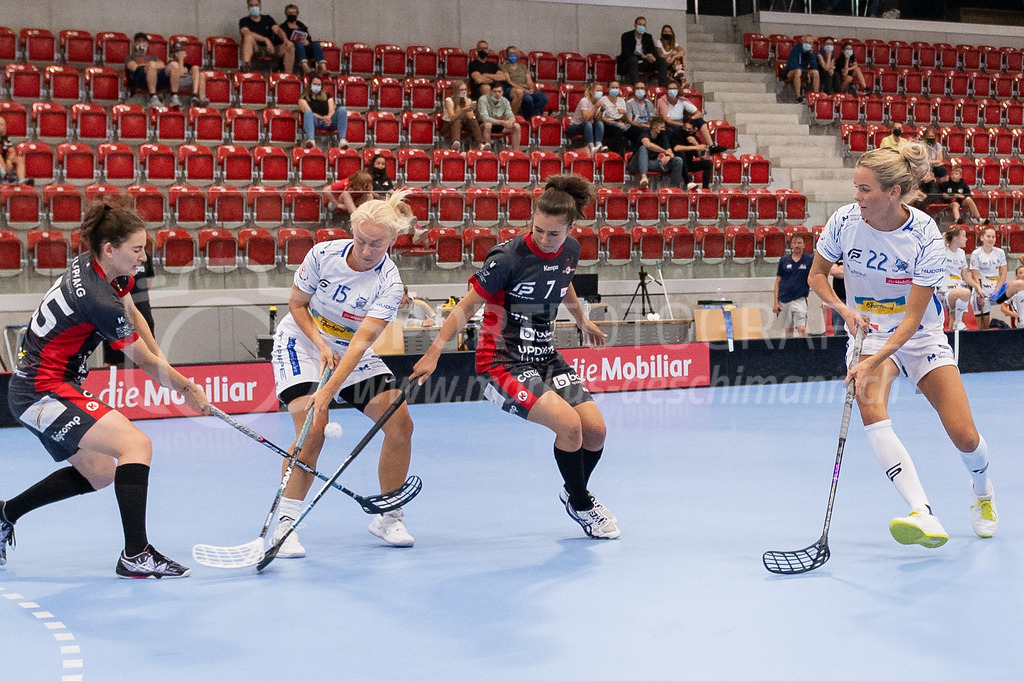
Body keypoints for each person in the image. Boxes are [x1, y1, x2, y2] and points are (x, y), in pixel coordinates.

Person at [1, 200, 211, 577]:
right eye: (136, 250)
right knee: (136, 444)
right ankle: (136, 554)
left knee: (99, 473)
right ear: (111, 248)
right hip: (40, 392)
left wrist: (164, 364)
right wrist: (186, 388)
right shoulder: (97, 297)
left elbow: (131, 311)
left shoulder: (95, 265)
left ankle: (5, 514)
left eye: (144, 248)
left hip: (44, 386)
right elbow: (142, 360)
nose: (143, 258)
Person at [410, 174, 619, 540]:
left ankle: (575, 493)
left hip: (545, 356)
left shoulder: (570, 250)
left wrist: (581, 319)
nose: (545, 239)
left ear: (571, 230)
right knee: (570, 427)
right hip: (501, 362)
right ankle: (582, 504)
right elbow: (466, 306)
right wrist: (434, 350)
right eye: (538, 230)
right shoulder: (507, 258)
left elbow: (563, 281)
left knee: (596, 431)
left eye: (554, 234)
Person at [810, 144, 998, 550]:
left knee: (965, 437)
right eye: (856, 187)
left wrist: (870, 362)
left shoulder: (924, 235)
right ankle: (921, 511)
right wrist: (843, 309)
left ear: (893, 192)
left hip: (920, 335)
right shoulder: (844, 221)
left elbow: (912, 320)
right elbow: (817, 276)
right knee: (871, 407)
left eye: (865, 189)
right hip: (870, 330)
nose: (857, 197)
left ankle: (983, 491)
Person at [270, 191, 417, 557]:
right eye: (361, 240)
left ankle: (388, 515)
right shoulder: (323, 255)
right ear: (352, 231)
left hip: (351, 350)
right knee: (312, 427)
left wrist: (328, 390)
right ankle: (286, 525)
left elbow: (359, 345)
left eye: (376, 244)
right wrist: (320, 343)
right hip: (302, 340)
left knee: (399, 422)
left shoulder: (389, 283)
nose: (366, 250)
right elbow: (297, 303)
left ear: (391, 241)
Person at [103, 248, 155, 367]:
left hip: (143, 314)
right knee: (113, 360)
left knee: (147, 357)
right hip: (116, 315)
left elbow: (148, 283)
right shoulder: (114, 256)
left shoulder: (146, 257)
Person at [655, 81, 725, 152]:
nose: (672, 91)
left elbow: (698, 113)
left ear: (678, 90)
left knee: (699, 120)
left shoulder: (681, 100)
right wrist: (683, 125)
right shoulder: (662, 101)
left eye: (674, 88)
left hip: (682, 124)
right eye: (670, 89)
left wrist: (691, 120)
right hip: (669, 125)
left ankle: (711, 146)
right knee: (681, 129)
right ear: (667, 90)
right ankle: (695, 148)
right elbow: (668, 120)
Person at [941, 225, 983, 332]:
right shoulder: (942, 251)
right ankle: (958, 322)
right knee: (965, 293)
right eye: (964, 236)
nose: (966, 239)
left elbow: (965, 275)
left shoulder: (961, 253)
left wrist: (977, 287)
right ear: (956, 239)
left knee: (953, 315)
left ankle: (953, 334)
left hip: (957, 287)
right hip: (945, 291)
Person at [772, 233, 813, 337]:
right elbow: (777, 281)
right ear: (791, 245)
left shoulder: (809, 259)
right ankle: (790, 347)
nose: (797, 245)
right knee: (789, 330)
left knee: (801, 329)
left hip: (800, 299)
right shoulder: (784, 260)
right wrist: (776, 302)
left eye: (799, 243)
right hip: (784, 299)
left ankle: (804, 346)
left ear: (804, 245)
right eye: (794, 243)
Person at [239, 0, 295, 74]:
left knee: (289, 46)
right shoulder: (244, 21)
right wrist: (265, 40)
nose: (254, 7)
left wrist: (285, 40)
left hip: (270, 48)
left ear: (260, 6)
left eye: (256, 5)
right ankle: (246, 70)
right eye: (251, 5)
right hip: (255, 48)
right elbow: (247, 33)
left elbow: (278, 30)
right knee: (248, 37)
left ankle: (288, 76)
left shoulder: (268, 19)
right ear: (248, 7)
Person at [628, 116, 683, 189]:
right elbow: (647, 144)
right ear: (654, 126)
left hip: (650, 163)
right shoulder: (645, 132)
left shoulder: (663, 136)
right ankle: (644, 177)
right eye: (662, 127)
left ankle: (674, 188)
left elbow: (671, 153)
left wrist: (668, 157)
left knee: (678, 160)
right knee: (643, 148)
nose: (664, 129)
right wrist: (664, 151)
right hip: (636, 164)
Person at [969, 225, 1007, 331]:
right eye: (988, 236)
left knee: (1014, 291)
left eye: (993, 237)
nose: (991, 239)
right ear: (982, 238)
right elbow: (974, 275)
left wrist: (997, 289)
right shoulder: (976, 254)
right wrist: (979, 291)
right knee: (983, 325)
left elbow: (1003, 273)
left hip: (996, 287)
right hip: (982, 288)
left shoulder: (1000, 252)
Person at [500, 46, 548, 121]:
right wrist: (524, 90)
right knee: (528, 99)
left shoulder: (523, 67)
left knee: (543, 97)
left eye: (514, 53)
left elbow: (529, 80)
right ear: (507, 55)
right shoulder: (504, 67)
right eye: (511, 53)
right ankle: (528, 118)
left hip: (526, 89)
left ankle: (533, 117)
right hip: (513, 89)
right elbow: (509, 81)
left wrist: (531, 89)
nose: (513, 55)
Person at [298, 75, 347, 149]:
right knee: (308, 113)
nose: (317, 86)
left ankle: (342, 140)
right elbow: (308, 111)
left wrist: (328, 117)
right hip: (314, 121)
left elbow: (332, 110)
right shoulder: (303, 98)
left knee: (342, 109)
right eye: (315, 84)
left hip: (328, 121)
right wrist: (323, 118)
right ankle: (311, 140)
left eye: (319, 85)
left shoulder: (328, 96)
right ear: (310, 85)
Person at [617, 16, 667, 88]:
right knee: (633, 59)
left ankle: (663, 87)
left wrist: (653, 57)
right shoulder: (626, 36)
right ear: (635, 26)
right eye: (640, 24)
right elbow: (626, 53)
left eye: (644, 25)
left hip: (644, 63)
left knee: (662, 61)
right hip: (629, 63)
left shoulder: (648, 37)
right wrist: (642, 57)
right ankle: (637, 86)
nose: (642, 27)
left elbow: (653, 51)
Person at [125, 32, 173, 107]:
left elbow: (162, 65)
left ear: (147, 44)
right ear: (134, 44)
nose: (141, 43)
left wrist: (150, 65)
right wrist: (150, 65)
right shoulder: (130, 57)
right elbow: (134, 67)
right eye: (139, 41)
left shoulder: (153, 57)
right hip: (140, 78)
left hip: (157, 79)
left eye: (143, 41)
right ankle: (153, 97)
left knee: (172, 66)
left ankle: (173, 97)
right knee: (151, 65)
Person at [280, 3, 326, 75]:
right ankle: (305, 66)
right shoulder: (283, 27)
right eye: (289, 13)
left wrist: (307, 41)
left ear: (297, 14)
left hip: (305, 47)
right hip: (293, 50)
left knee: (316, 44)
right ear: (286, 14)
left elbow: (308, 37)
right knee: (298, 43)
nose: (291, 14)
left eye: (293, 13)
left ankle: (323, 67)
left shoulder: (301, 25)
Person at [670, 119, 714, 189]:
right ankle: (688, 182)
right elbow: (676, 148)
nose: (687, 131)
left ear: (694, 129)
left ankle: (705, 188)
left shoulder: (695, 138)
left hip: (688, 164)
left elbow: (700, 156)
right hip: (676, 163)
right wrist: (694, 147)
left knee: (708, 164)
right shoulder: (677, 134)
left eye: (689, 129)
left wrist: (696, 144)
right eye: (685, 128)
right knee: (681, 154)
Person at [441, 80, 483, 151]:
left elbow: (471, 117)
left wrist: (466, 103)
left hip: (462, 124)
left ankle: (480, 144)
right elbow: (452, 117)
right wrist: (463, 109)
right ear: (456, 91)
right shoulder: (449, 100)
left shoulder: (468, 100)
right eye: (461, 90)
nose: (464, 92)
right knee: (456, 120)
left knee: (472, 120)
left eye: (465, 89)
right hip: (449, 125)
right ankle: (456, 144)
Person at [477, 83, 521, 152]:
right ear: (491, 92)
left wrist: (510, 122)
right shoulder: (483, 99)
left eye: (499, 91)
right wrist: (501, 122)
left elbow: (510, 115)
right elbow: (485, 118)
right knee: (488, 125)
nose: (497, 94)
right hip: (483, 125)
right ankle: (487, 151)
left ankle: (515, 151)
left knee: (516, 126)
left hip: (499, 124)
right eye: (495, 91)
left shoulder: (505, 101)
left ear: (502, 92)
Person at [565, 82, 605, 153]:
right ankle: (591, 147)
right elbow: (585, 118)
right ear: (591, 92)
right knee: (587, 123)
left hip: (587, 126)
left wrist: (601, 109)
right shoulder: (584, 100)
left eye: (601, 91)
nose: (600, 92)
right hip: (575, 127)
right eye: (598, 90)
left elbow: (598, 119)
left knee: (600, 123)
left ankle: (599, 144)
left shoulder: (598, 102)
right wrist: (596, 107)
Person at [166, 40, 209, 107]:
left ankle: (199, 97)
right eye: (177, 51)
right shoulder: (171, 64)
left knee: (199, 72)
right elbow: (179, 74)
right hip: (176, 83)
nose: (179, 53)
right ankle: (195, 96)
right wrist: (180, 60)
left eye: (181, 51)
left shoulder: (187, 65)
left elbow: (194, 73)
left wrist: (192, 70)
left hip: (188, 82)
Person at [782, 35, 820, 103]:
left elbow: (814, 66)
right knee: (798, 71)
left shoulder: (812, 51)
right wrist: (805, 72)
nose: (807, 44)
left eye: (809, 43)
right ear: (802, 42)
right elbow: (794, 64)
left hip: (804, 71)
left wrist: (811, 55)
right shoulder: (796, 48)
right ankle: (798, 97)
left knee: (815, 72)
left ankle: (816, 96)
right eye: (806, 42)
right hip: (790, 71)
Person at [596, 80, 629, 155]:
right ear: (608, 89)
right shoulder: (602, 100)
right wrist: (615, 123)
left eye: (617, 88)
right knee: (618, 131)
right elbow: (599, 118)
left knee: (635, 130)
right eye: (613, 87)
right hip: (607, 123)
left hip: (620, 122)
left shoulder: (621, 101)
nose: (615, 89)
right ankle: (615, 154)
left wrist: (625, 114)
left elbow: (624, 119)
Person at [624, 80, 655, 148]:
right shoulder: (629, 103)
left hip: (647, 125)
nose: (639, 90)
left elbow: (653, 118)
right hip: (635, 126)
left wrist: (651, 125)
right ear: (634, 90)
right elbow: (630, 121)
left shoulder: (649, 103)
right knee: (641, 130)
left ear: (645, 91)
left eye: (642, 88)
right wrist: (640, 125)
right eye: (637, 88)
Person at [0, 116, 31, 185]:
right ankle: (5, 175)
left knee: (19, 159)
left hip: (4, 163)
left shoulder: (5, 138)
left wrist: (9, 160)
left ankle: (22, 180)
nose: (0, 127)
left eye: (2, 125)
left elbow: (12, 151)